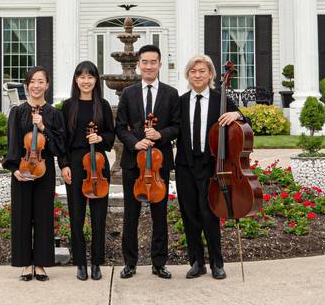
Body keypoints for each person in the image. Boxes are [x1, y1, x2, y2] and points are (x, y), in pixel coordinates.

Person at [174, 54, 248, 280]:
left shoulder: (220, 100)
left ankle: (217, 262)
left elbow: (246, 122)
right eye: (193, 71)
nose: (197, 75)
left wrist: (237, 114)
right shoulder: (180, 101)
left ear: (211, 75)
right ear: (188, 75)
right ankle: (196, 262)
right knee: (189, 215)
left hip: (211, 166)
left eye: (202, 71)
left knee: (209, 214)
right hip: (185, 166)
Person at [114, 44, 180, 279]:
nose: (149, 66)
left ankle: (159, 263)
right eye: (145, 62)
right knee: (130, 216)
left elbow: (177, 127)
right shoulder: (129, 93)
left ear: (160, 65)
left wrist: (160, 134)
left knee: (159, 216)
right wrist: (135, 143)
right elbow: (120, 127)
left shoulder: (171, 94)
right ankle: (129, 263)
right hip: (134, 164)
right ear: (139, 65)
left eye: (153, 62)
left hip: (160, 164)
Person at [3, 66, 65, 282]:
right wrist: (14, 169)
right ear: (27, 85)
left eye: (41, 81)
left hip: (43, 170)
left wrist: (44, 127)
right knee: (21, 217)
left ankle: (40, 264)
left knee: (43, 217)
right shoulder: (17, 112)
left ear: (47, 85)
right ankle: (25, 264)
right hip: (22, 169)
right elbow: (11, 143)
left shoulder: (54, 114)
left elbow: (59, 146)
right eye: (33, 81)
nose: (36, 86)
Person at [58, 60, 115, 281]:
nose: (86, 81)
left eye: (90, 77)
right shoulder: (68, 106)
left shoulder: (103, 104)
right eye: (82, 76)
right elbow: (62, 140)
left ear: (96, 80)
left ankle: (96, 263)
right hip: (74, 163)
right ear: (76, 80)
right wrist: (63, 165)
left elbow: (111, 135)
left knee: (99, 216)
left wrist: (101, 137)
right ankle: (80, 262)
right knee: (76, 215)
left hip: (98, 164)